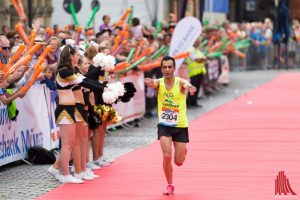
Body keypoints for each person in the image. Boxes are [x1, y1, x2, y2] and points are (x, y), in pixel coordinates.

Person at [144, 56, 197, 195]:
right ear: (161, 69)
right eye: (164, 67)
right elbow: (154, 83)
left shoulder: (180, 82)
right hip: (164, 125)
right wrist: (150, 82)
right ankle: (170, 184)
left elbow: (188, 85)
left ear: (174, 68)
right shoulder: (159, 83)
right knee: (166, 156)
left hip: (180, 125)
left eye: (170, 67)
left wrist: (191, 88)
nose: (167, 70)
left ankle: (183, 151)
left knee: (178, 162)